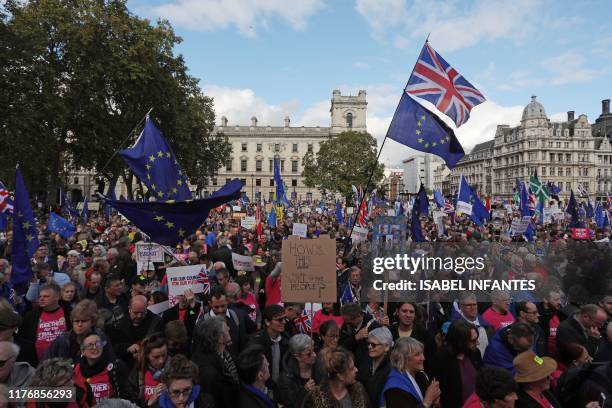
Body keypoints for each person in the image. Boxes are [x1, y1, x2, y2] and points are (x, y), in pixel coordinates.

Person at [429, 319, 483, 407]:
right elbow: (437, 389)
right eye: (473, 341)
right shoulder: (440, 358)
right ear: (460, 341)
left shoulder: (475, 353)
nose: (477, 343)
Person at [17, 282, 71, 365]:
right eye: (40, 296)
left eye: (46, 296)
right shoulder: (30, 316)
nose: (41, 299)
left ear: (57, 297)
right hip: (37, 363)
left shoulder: (68, 313)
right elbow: (22, 337)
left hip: (63, 361)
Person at [192, 316, 239, 407]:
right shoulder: (208, 372)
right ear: (219, 338)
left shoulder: (225, 352)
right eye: (226, 329)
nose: (229, 329)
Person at [380, 337, 441, 408]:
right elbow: (426, 401)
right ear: (403, 358)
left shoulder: (421, 376)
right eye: (417, 354)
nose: (423, 358)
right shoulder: (394, 389)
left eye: (422, 353)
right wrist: (428, 401)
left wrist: (435, 404)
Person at [107, 295, 164, 370]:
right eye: (136, 313)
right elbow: (113, 348)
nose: (139, 316)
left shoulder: (156, 322)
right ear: (129, 309)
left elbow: (161, 344)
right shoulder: (118, 325)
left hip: (149, 366)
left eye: (143, 313)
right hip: (126, 367)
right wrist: (127, 348)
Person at [302, 347, 370, 408]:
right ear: (340, 376)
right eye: (351, 368)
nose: (356, 370)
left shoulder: (359, 390)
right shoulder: (315, 398)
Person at [45, 299, 110, 361]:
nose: (79, 324)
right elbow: (45, 363)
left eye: (84, 321)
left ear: (92, 322)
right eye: (76, 321)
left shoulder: (101, 338)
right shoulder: (62, 340)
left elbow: (110, 361)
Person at [73, 333, 129, 404]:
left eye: (98, 344)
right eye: (90, 345)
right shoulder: (75, 369)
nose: (94, 347)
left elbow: (127, 396)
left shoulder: (116, 366)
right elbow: (62, 396)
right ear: (83, 351)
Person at [247, 304, 290, 385]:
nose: (284, 322)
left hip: (281, 386)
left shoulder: (286, 338)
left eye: (285, 319)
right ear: (267, 322)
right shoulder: (256, 342)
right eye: (280, 320)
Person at [201, 286, 247, 357]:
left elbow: (243, 344)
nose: (220, 310)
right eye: (216, 307)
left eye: (223, 306)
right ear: (210, 304)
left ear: (227, 301)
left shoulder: (237, 316)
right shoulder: (203, 323)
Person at [126, 334, 169, 407]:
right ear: (147, 355)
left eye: (164, 355)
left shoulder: (176, 369)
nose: (161, 361)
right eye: (156, 357)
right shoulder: (137, 375)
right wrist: (150, 402)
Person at [389, 302, 437, 368]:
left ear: (415, 315)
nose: (408, 315)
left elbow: (431, 361)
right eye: (404, 311)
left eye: (411, 312)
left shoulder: (425, 335)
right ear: (397, 312)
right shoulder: (389, 332)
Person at [277, 334, 319, 408]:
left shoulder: (318, 365)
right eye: (309, 354)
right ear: (297, 356)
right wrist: (304, 391)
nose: (314, 355)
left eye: (314, 350)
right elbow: (290, 403)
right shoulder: (286, 378)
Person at [339, 303, 380, 376]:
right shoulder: (346, 326)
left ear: (358, 316)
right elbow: (342, 346)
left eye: (349, 320)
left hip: (366, 370)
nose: (347, 322)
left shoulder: (374, 326)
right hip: (349, 368)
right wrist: (355, 338)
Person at [361, 327, 393, 408]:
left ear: (386, 347)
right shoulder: (366, 359)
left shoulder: (392, 368)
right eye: (368, 343)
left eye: (373, 345)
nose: (369, 347)